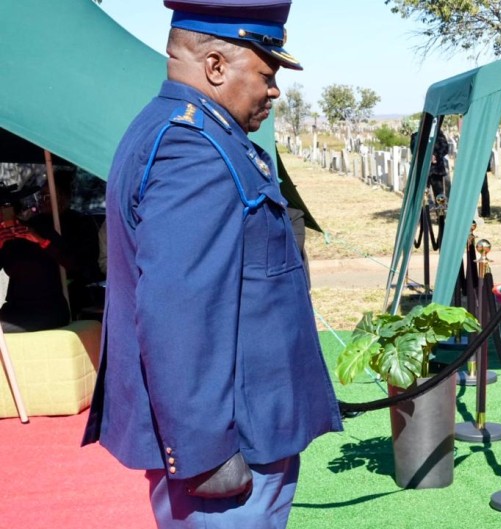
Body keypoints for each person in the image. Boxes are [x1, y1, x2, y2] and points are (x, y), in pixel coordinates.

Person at [82, 2, 343, 528]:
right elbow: (178, 314)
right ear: (216, 66)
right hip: (231, 442)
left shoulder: (197, 133)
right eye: (266, 75)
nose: (275, 91)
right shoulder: (193, 148)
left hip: (245, 425)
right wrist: (205, 455)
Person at [0, 171, 100, 331]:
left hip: (55, 304)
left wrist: (42, 241)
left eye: (47, 197)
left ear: (64, 198)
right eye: (40, 197)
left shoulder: (77, 224)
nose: (41, 202)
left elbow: (78, 264)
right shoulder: (29, 226)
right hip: (17, 306)